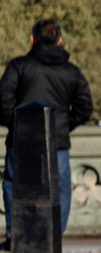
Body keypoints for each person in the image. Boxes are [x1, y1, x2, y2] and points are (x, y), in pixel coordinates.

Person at [0, 20, 91, 240]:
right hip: (57, 140)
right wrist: (64, 125)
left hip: (22, 140)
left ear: (32, 39)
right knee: (59, 188)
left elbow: (3, 101)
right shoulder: (71, 72)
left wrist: (17, 124)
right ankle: (53, 237)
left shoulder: (19, 66)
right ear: (60, 41)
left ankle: (16, 236)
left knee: (14, 185)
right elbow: (85, 107)